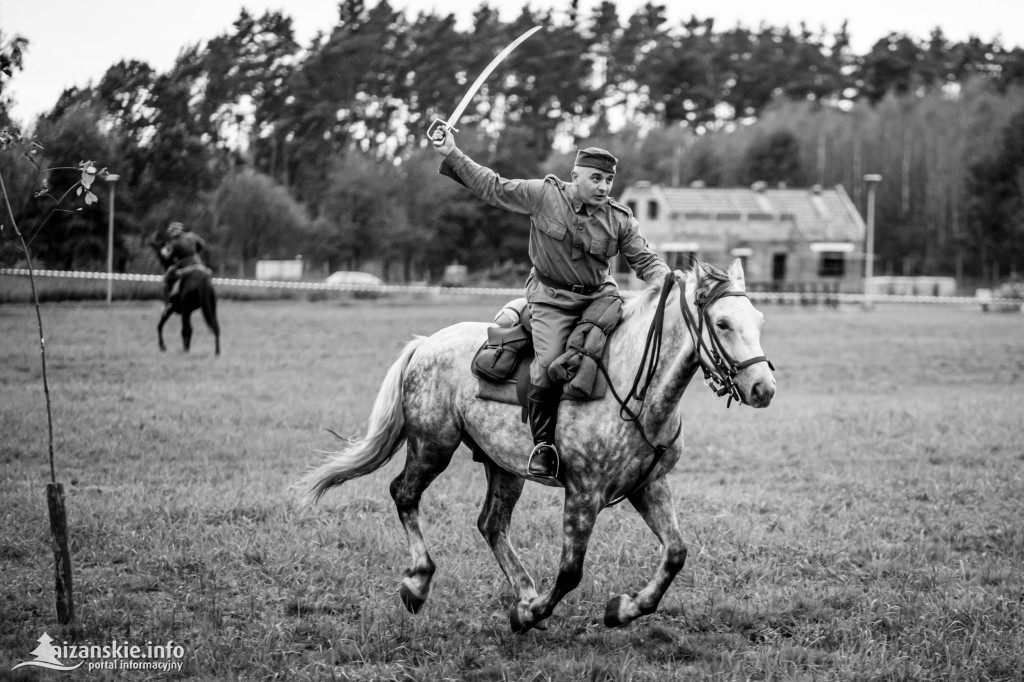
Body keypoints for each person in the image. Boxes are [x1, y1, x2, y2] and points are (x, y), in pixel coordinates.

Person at [430, 128, 672, 480]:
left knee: (622, 354)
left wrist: (673, 284)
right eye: (596, 178)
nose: (604, 187)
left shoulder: (620, 219)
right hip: (551, 300)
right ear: (575, 176)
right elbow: (492, 186)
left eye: (608, 180)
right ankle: (544, 446)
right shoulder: (543, 195)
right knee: (547, 366)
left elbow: (647, 263)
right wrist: (452, 153)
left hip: (598, 299)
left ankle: (616, 436)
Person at [158, 221, 206, 301]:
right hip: (198, 263)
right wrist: (194, 252)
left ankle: (169, 300)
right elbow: (202, 244)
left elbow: (169, 259)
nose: (171, 234)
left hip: (184, 266)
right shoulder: (192, 235)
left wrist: (164, 252)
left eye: (172, 231)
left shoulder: (175, 243)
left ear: (175, 231)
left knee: (168, 276)